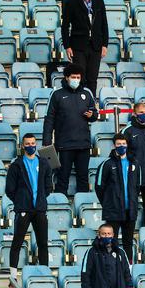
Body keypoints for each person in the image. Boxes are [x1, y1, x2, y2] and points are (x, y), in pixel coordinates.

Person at [42, 64, 98, 195]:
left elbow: (94, 113)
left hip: (83, 144)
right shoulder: (56, 95)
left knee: (83, 178)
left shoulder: (86, 93)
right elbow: (49, 119)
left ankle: (83, 202)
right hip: (64, 145)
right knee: (62, 178)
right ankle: (61, 206)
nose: (76, 80)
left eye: (78, 77)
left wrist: (92, 115)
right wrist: (47, 141)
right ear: (67, 77)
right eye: (73, 77)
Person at [5, 134, 53, 279]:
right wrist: (21, 202)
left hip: (39, 209)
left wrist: (40, 199)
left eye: (33, 143)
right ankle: (13, 276)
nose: (31, 146)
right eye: (27, 144)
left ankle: (45, 273)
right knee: (17, 242)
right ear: (22, 145)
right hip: (24, 209)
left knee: (43, 243)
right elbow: (9, 190)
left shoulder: (44, 163)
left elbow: (48, 186)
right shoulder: (16, 165)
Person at [95, 134, 141, 264]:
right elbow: (99, 187)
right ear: (114, 145)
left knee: (128, 242)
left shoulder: (135, 164)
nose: (122, 146)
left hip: (130, 211)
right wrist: (108, 203)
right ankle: (109, 264)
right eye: (119, 144)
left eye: (124, 144)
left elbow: (137, 186)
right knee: (111, 242)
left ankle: (128, 266)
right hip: (113, 210)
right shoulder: (106, 164)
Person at [61, 0, 109, 96]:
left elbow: (104, 25)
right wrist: (67, 46)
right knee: (79, 78)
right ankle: (79, 102)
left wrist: (105, 45)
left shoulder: (99, 2)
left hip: (96, 46)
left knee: (93, 78)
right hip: (78, 46)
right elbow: (65, 26)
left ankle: (91, 103)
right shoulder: (71, 3)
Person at [122, 102, 145, 227]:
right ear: (134, 114)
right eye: (140, 113)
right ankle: (129, 234)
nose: (144, 115)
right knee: (131, 208)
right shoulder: (127, 131)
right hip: (133, 177)